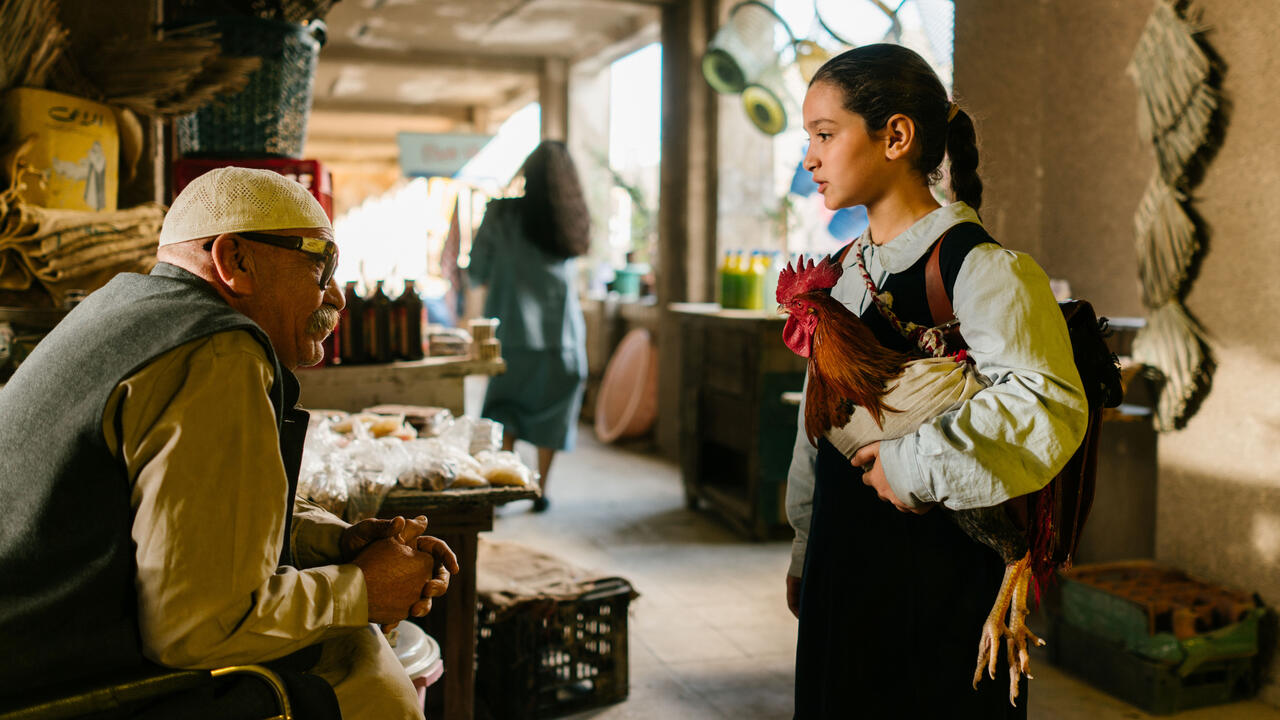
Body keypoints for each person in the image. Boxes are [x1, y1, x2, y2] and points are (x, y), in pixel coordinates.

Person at [0, 167, 460, 720]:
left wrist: (334, 542)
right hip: (52, 689)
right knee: (362, 669)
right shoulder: (219, 353)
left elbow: (186, 512)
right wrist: (363, 589)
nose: (336, 297)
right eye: (321, 265)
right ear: (235, 260)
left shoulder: (118, 308)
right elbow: (196, 628)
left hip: (37, 654)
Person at [785, 45, 1088, 718]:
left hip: (938, 575)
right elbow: (816, 426)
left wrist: (908, 466)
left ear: (895, 136)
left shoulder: (980, 269)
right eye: (809, 138)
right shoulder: (841, 272)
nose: (810, 158)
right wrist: (806, 543)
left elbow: (1046, 406)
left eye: (825, 135)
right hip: (844, 560)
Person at [468, 140, 590, 513]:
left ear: (528, 174)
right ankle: (539, 488)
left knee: (504, 412)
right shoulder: (571, 219)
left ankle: (507, 486)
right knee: (554, 415)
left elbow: (477, 271)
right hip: (563, 339)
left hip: (513, 336)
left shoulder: (501, 214)